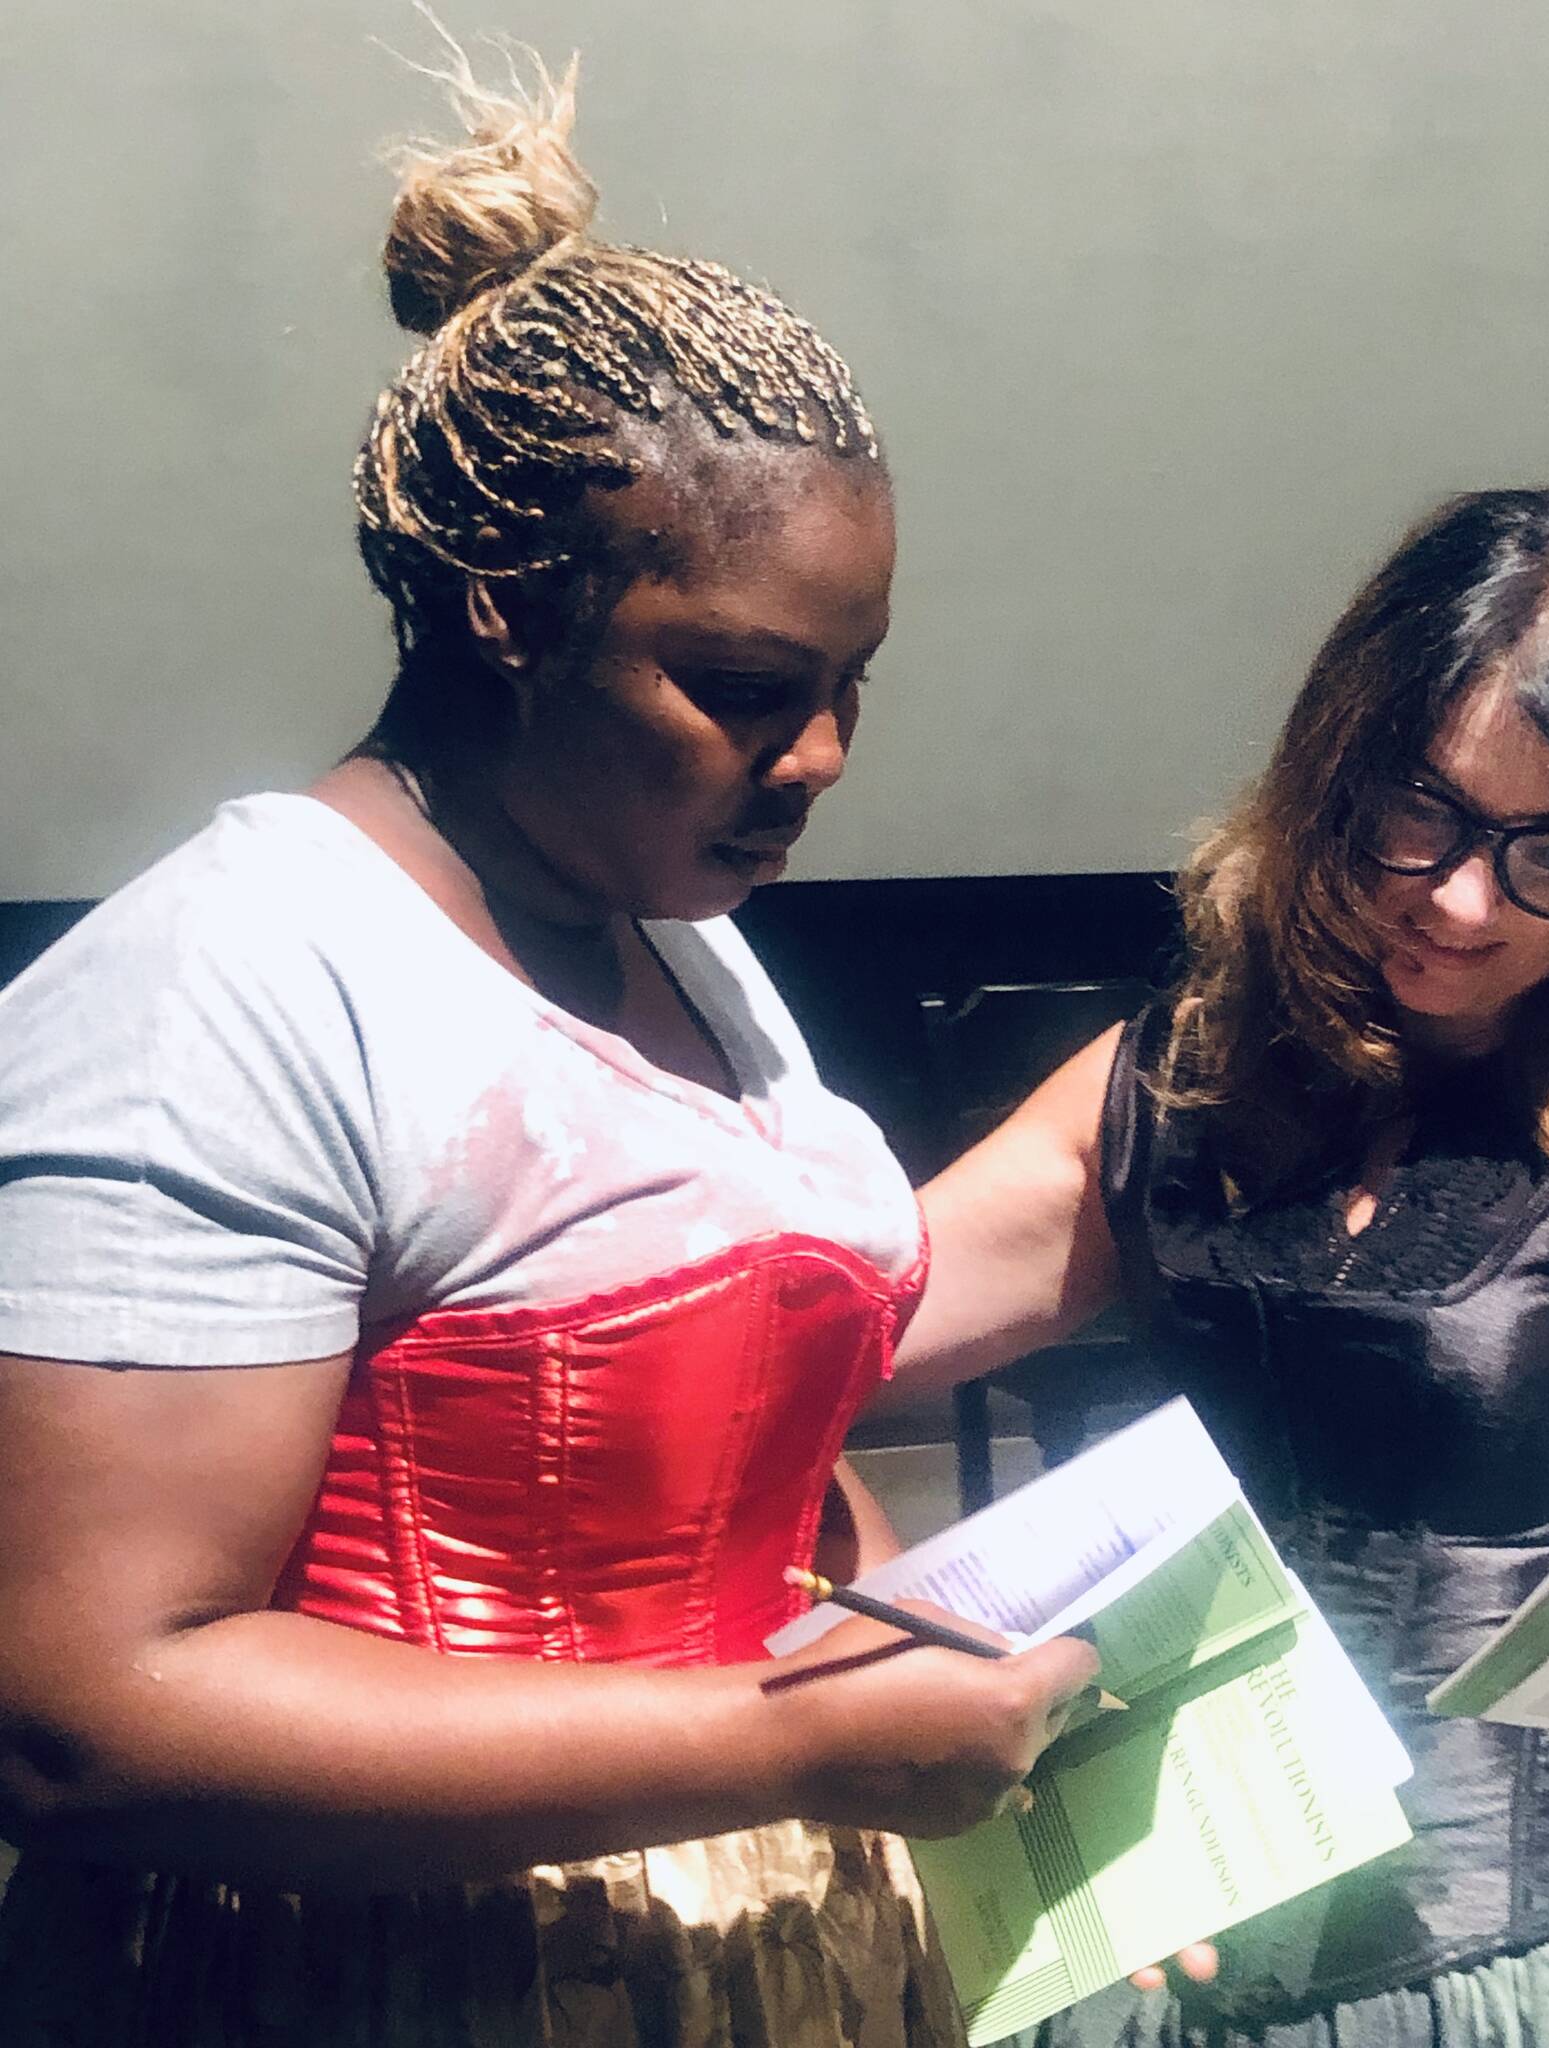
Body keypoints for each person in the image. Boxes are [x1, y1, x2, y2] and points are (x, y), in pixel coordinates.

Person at [0, 47, 1096, 2048]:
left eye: (853, 683)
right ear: (506, 607)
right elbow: (86, 1714)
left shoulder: (682, 945)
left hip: (779, 1946)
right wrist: (782, 1740)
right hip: (379, 1980)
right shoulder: (222, 990)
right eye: (746, 684)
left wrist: (916, 1650)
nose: (821, 756)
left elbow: (740, 1469)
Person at [898, 490, 1549, 2045]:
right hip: (1178, 1934)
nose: (1458, 898)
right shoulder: (1186, 1075)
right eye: (1417, 814)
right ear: (1333, 777)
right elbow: (832, 1329)